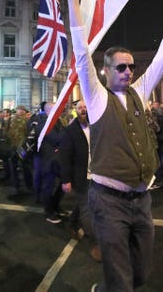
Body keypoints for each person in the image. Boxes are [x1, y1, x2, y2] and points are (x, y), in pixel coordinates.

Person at [61, 0, 163, 292]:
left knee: (141, 273)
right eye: (121, 67)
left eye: (131, 66)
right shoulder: (96, 95)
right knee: (122, 279)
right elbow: (79, 49)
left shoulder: (139, 92)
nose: (129, 71)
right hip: (108, 202)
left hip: (141, 199)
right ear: (106, 71)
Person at [59, 100, 101, 261]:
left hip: (97, 174)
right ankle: (95, 242)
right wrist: (66, 180)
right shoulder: (71, 131)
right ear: (75, 111)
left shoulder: (96, 125)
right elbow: (64, 157)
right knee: (87, 210)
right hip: (81, 176)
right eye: (80, 108)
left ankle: (73, 222)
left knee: (87, 204)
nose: (83, 110)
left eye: (85, 107)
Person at [33, 101, 66, 223]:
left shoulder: (55, 121)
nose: (58, 111)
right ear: (48, 110)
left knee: (64, 182)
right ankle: (49, 212)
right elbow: (57, 138)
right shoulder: (43, 123)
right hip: (47, 161)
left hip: (57, 159)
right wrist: (69, 130)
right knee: (48, 187)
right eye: (55, 109)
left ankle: (55, 205)